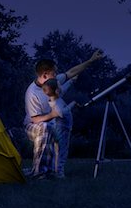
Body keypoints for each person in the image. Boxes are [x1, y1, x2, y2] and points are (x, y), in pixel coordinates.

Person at [24, 50, 102, 179]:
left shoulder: (53, 81)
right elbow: (36, 119)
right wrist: (54, 114)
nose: (57, 74)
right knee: (46, 128)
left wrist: (91, 60)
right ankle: (39, 173)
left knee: (59, 134)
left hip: (52, 121)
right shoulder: (32, 93)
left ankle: (55, 170)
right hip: (33, 125)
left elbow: (71, 72)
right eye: (54, 72)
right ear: (44, 75)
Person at [42, 77, 79, 178]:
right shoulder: (56, 103)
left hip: (59, 127)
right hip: (62, 129)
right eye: (59, 86)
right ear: (57, 90)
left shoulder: (55, 98)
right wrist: (72, 105)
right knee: (62, 150)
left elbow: (64, 89)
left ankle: (53, 169)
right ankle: (59, 172)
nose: (61, 87)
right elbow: (62, 113)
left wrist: (71, 81)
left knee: (56, 150)